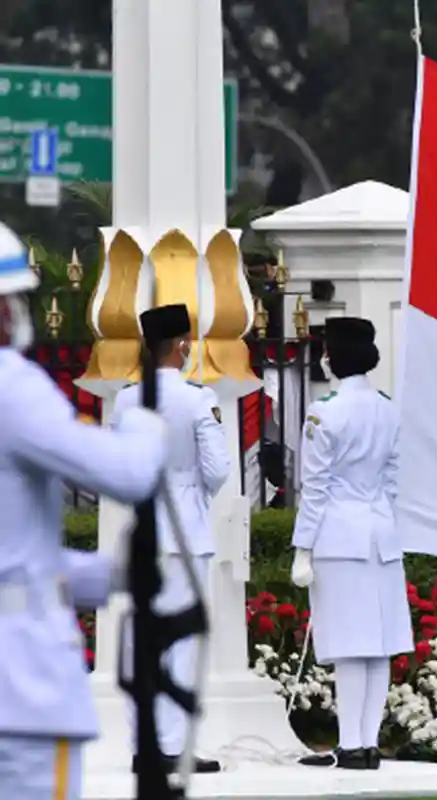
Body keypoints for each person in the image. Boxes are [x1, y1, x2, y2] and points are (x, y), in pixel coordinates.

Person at [0, 221, 169, 799]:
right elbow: (125, 474)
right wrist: (147, 420)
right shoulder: (11, 386)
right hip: (20, 690)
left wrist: (107, 576)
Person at [112, 303, 230, 775]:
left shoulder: (125, 399)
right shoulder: (197, 398)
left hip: (144, 531)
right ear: (181, 345)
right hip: (185, 533)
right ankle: (172, 747)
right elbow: (219, 469)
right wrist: (193, 493)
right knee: (179, 642)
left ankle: (145, 745)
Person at [291, 317, 413, 770]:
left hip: (339, 537)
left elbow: (315, 486)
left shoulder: (326, 410)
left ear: (332, 358)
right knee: (377, 644)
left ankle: (350, 743)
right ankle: (365, 744)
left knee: (348, 645)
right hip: (381, 535)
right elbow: (393, 480)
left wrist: (302, 547)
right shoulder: (387, 408)